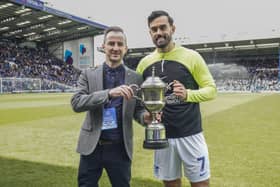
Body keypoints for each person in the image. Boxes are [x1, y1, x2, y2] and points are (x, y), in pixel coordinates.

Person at [136, 11, 217, 187]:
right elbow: (138, 102)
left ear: (172, 28)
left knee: (201, 184)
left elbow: (211, 90)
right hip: (162, 136)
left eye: (162, 27)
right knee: (170, 184)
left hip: (191, 134)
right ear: (150, 33)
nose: (159, 32)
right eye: (154, 29)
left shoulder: (191, 56)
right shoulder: (144, 63)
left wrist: (188, 94)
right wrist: (146, 116)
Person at [71, 26, 150, 187]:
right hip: (92, 147)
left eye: (120, 44)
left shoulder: (136, 78)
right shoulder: (88, 74)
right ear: (103, 46)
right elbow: (76, 103)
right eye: (111, 43)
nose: (115, 48)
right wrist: (108, 93)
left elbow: (138, 110)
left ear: (125, 49)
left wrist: (145, 117)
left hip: (120, 148)